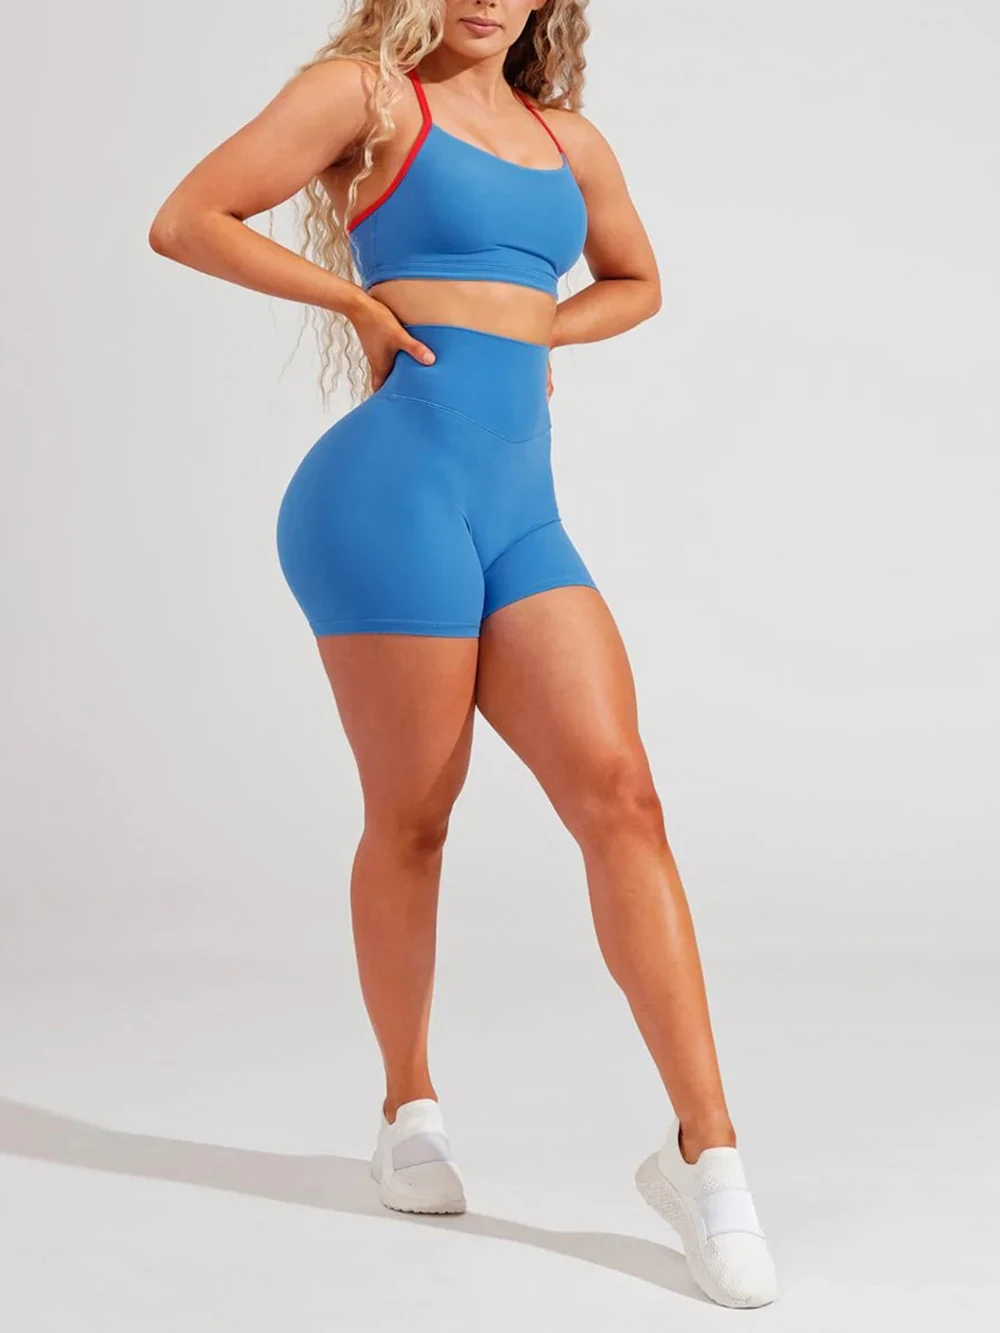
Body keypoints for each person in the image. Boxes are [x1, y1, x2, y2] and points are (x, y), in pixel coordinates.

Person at [149, 0, 777, 1309]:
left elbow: (637, 280)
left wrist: (546, 332)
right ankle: (408, 1110)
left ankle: (706, 1155)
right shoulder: (368, 97)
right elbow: (189, 216)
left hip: (521, 513)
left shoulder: (569, 141)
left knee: (624, 796)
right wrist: (353, 303)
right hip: (387, 500)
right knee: (416, 816)